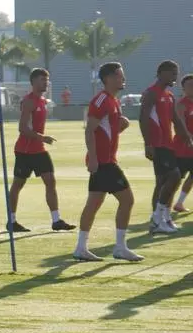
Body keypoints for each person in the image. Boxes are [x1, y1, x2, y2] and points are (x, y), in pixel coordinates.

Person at [73, 63, 142, 262]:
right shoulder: (102, 99)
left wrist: (121, 125)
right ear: (109, 78)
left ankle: (81, 248)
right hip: (104, 163)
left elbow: (107, 130)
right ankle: (120, 247)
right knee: (127, 200)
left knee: (94, 203)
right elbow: (90, 130)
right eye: (120, 75)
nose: (123, 78)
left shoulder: (113, 101)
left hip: (106, 160)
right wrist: (93, 157)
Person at [7, 68, 76, 232]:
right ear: (33, 82)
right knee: (18, 185)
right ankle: (11, 221)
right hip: (24, 150)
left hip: (39, 150)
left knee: (50, 182)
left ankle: (56, 220)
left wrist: (41, 140)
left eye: (46, 80)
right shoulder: (29, 101)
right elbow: (22, 128)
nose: (45, 83)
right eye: (42, 80)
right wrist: (42, 137)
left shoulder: (43, 101)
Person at [138, 60, 192, 234]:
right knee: (174, 176)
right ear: (161, 73)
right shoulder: (151, 93)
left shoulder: (168, 95)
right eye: (172, 73)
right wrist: (148, 144)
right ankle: (157, 217)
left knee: (162, 183)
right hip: (158, 144)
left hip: (168, 144)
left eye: (176, 73)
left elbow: (175, 118)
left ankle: (161, 218)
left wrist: (185, 135)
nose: (175, 77)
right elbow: (143, 118)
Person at [172, 75, 193, 212]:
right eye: (189, 85)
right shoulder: (181, 104)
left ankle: (179, 203)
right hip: (182, 148)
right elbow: (181, 127)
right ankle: (162, 207)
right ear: (183, 88)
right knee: (175, 179)